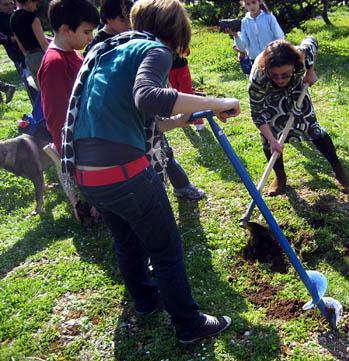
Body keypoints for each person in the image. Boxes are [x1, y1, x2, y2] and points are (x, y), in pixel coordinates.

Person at [61, 0, 240, 343]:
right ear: (174, 32)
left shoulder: (108, 50)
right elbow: (149, 97)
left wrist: (183, 117)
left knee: (126, 240)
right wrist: (215, 102)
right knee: (166, 249)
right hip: (124, 175)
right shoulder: (154, 50)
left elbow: (137, 116)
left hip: (87, 175)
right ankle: (189, 324)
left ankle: (145, 300)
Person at [83, 0, 205, 200]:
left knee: (163, 151)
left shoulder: (123, 44)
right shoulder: (147, 49)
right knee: (150, 201)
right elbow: (148, 98)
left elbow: (153, 106)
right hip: (123, 144)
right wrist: (217, 103)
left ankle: (179, 185)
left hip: (108, 151)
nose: (128, 25)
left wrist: (176, 116)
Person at [249, 37, 349, 195]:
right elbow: (257, 113)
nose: (280, 79)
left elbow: (312, 41)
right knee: (269, 137)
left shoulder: (301, 56)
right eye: (275, 75)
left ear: (294, 65)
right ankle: (280, 176)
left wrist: (310, 71)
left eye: (284, 74)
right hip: (270, 96)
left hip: (297, 88)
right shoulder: (258, 78)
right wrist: (272, 140)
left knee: (312, 127)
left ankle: (337, 168)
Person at [37, 0, 99, 219]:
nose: (90, 37)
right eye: (86, 31)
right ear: (65, 29)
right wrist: (70, 154)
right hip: (80, 145)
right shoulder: (55, 63)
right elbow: (56, 116)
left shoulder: (72, 53)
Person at [224, 0, 284, 75]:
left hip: (272, 57)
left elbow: (280, 37)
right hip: (255, 60)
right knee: (258, 85)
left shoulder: (269, 17)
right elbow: (242, 47)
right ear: (244, 5)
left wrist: (276, 52)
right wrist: (235, 36)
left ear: (259, 2)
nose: (251, 6)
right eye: (248, 4)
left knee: (273, 84)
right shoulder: (244, 22)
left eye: (254, 2)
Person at [10, 0, 50, 87]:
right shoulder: (32, 18)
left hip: (29, 57)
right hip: (41, 55)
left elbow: (19, 42)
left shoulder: (13, 18)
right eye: (35, 4)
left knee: (41, 89)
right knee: (53, 85)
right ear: (29, 2)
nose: (36, 7)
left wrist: (27, 56)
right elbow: (43, 43)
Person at [168, 48, 205, 131]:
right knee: (175, 94)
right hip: (168, 68)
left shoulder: (177, 36)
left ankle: (198, 120)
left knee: (188, 93)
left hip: (181, 66)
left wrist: (180, 49)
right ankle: (181, 118)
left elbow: (187, 52)